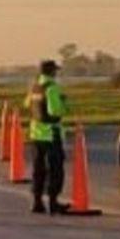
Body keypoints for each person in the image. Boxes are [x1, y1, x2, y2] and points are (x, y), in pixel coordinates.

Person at [25, 59, 69, 214]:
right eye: (55, 71)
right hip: (51, 133)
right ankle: (53, 201)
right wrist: (63, 103)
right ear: (51, 72)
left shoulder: (34, 87)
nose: (57, 73)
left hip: (35, 133)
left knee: (38, 169)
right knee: (55, 169)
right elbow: (55, 111)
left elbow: (27, 105)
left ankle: (37, 202)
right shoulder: (52, 88)